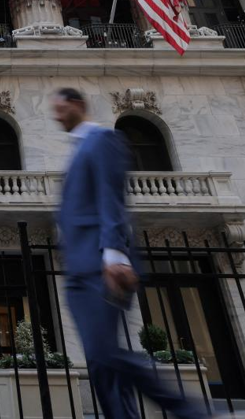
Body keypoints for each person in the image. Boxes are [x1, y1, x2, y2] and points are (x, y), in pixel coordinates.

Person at [52, 87, 210, 419]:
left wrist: (114, 255)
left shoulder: (102, 141)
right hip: (79, 268)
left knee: (105, 354)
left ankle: (190, 412)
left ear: (78, 105)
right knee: (99, 362)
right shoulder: (78, 148)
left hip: (99, 264)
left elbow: (112, 198)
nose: (57, 115)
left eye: (62, 108)